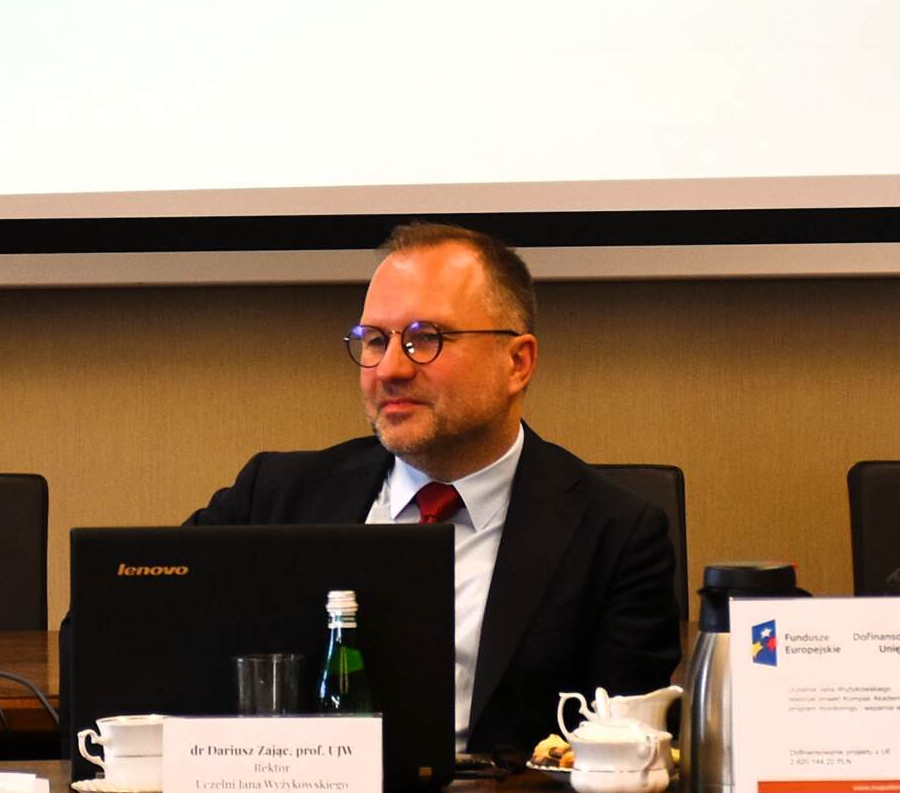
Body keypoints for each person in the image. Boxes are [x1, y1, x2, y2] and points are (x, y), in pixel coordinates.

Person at [189, 222, 680, 759]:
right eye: (375, 340)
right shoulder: (273, 498)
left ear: (517, 362)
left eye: (426, 339)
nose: (390, 369)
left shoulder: (616, 535)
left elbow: (625, 756)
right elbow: (145, 630)